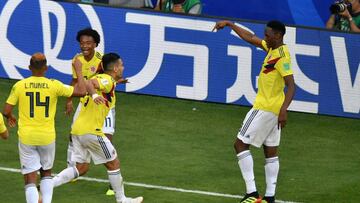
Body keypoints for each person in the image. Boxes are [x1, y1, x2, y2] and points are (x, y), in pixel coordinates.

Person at [213, 20, 295, 203]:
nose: (265, 37)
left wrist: (284, 110)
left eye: (268, 35)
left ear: (278, 35)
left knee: (240, 144)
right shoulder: (273, 49)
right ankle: (270, 197)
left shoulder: (282, 57)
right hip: (272, 109)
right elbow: (250, 38)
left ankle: (251, 193)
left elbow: (291, 86)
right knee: (270, 151)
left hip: (265, 108)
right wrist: (230, 24)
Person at [52, 53, 143, 203]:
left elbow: (91, 84)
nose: (123, 67)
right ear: (115, 68)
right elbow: (91, 83)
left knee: (81, 168)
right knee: (113, 162)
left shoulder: (108, 81)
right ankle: (122, 200)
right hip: (91, 132)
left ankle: (47, 186)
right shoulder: (106, 79)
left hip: (77, 130)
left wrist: (116, 82)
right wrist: (94, 95)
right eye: (121, 65)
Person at [2, 53, 86, 203]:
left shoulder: (20, 85)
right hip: (47, 137)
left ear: (29, 68)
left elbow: (6, 111)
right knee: (46, 173)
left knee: (30, 178)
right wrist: (79, 71)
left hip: (27, 137)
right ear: (46, 68)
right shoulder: (54, 85)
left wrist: (10, 117)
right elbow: (81, 91)